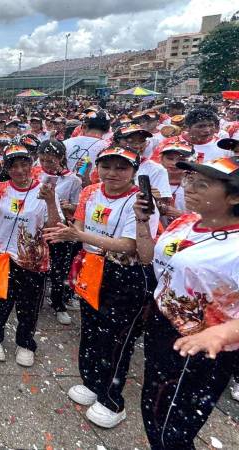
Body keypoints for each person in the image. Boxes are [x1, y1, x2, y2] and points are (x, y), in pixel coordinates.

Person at [44, 147, 160, 429]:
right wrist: (72, 233)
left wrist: (79, 234)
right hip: (92, 267)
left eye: (121, 168)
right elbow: (79, 225)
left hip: (126, 274)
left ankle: (112, 399)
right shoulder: (90, 192)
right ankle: (92, 381)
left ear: (134, 171)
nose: (113, 174)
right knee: (92, 329)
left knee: (117, 339)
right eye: (106, 166)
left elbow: (131, 246)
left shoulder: (141, 201)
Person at [134, 156, 239, 449]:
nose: (189, 188)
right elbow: (148, 258)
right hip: (163, 328)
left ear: (234, 197)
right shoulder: (186, 220)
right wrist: (143, 222)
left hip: (201, 346)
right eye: (191, 180)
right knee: (154, 409)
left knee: (173, 429)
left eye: (203, 185)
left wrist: (220, 333)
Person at [0, 145, 62, 367]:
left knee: (29, 305)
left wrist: (50, 201)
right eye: (14, 166)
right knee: (0, 300)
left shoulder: (45, 190)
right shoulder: (1, 188)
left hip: (33, 260)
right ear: (7, 169)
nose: (20, 170)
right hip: (2, 257)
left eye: (24, 164)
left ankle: (25, 343)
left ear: (31, 165)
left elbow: (54, 227)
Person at [33, 140, 82, 323]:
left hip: (61, 230)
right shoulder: (34, 173)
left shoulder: (73, 180)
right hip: (38, 227)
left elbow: (78, 208)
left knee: (59, 269)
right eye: (43, 160)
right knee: (38, 264)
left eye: (50, 161)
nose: (46, 164)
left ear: (61, 158)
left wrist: (67, 206)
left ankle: (59, 303)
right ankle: (36, 299)